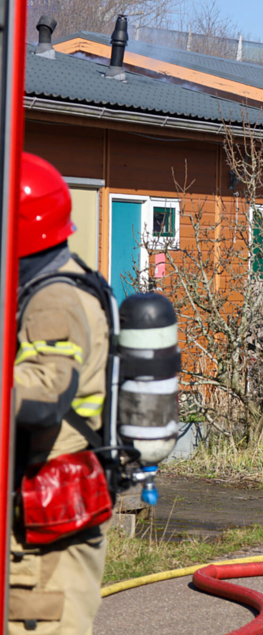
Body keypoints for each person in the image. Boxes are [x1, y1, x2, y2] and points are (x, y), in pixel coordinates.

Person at [10, 153, 113, 634]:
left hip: (44, 514)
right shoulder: (49, 280)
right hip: (45, 499)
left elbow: (47, 392)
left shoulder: (52, 299)